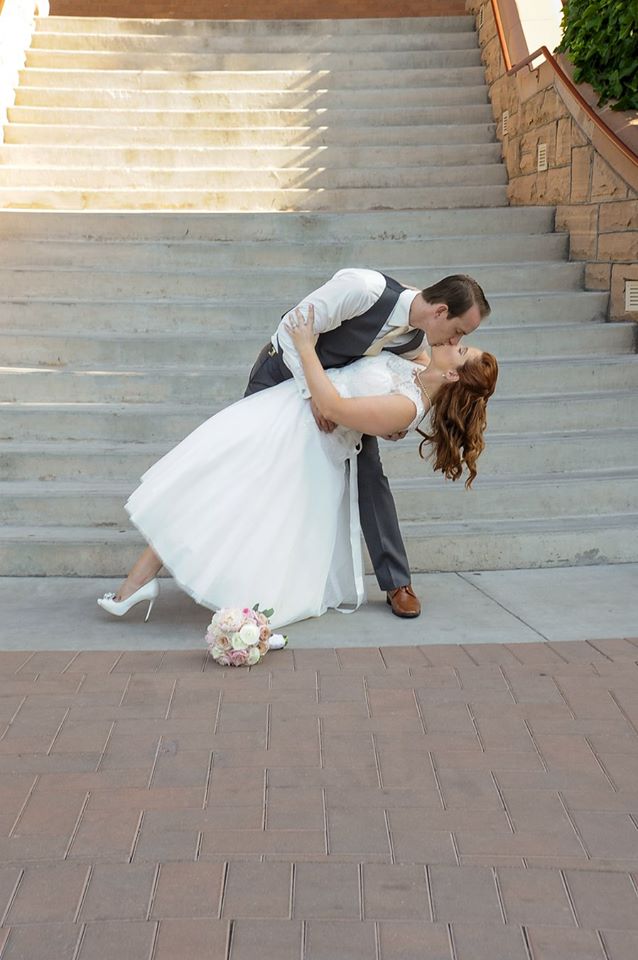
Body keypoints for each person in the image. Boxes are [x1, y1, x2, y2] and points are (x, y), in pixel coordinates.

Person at [97, 303, 498, 630]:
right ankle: (138, 582)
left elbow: (333, 408)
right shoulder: (417, 366)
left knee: (222, 499)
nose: (456, 342)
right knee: (209, 487)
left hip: (301, 440)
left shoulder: (406, 406)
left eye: (462, 350)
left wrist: (306, 347)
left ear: (451, 374)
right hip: (284, 416)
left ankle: (153, 587)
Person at [244, 268, 491, 618]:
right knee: (253, 475)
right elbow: (292, 327)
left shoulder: (420, 338)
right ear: (440, 312)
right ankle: (245, 571)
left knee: (370, 474)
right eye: (457, 332)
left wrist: (397, 417)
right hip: (282, 378)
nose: (454, 343)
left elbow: (416, 374)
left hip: (339, 404)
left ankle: (396, 583)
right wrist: (312, 393)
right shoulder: (364, 290)